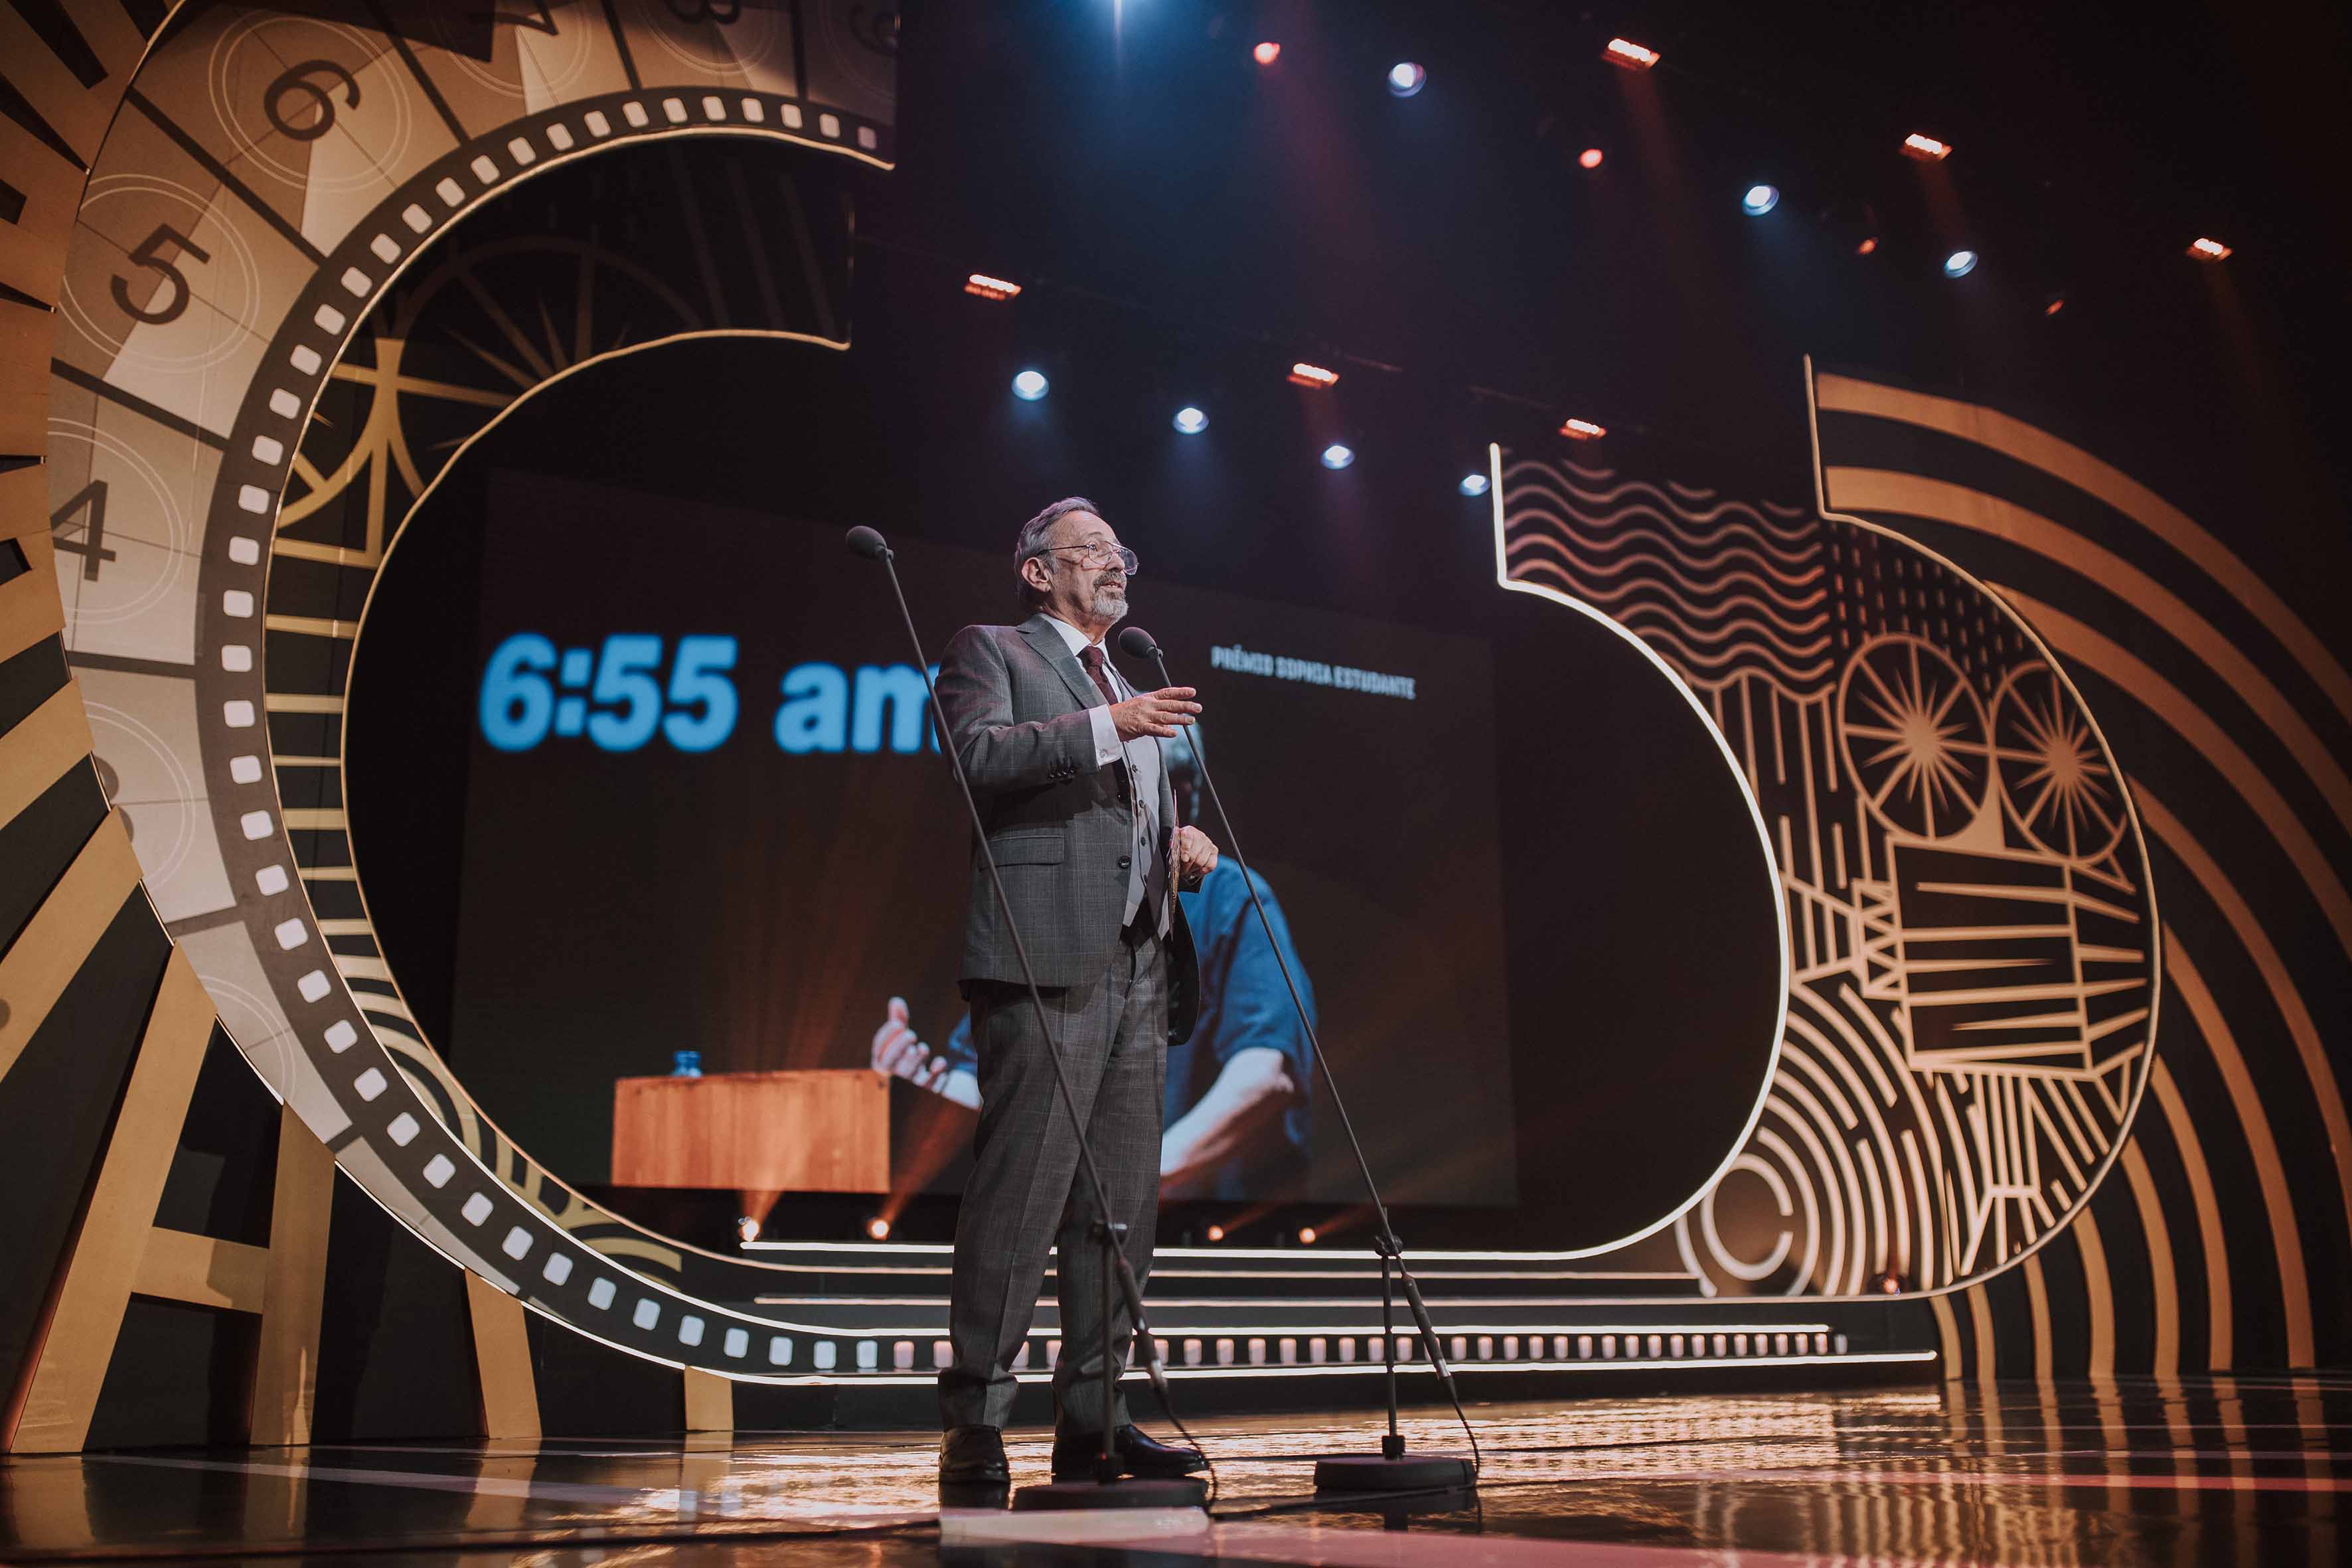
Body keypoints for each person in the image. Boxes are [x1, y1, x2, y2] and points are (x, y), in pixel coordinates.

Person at [929, 497, 1218, 1490]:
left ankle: (1095, 1423)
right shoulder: (995, 651)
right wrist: (1109, 723)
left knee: (1116, 1210)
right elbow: (976, 756)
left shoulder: (1127, 679)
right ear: (1037, 571)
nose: (1112, 564)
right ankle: (975, 1424)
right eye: (1089, 550)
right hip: (1042, 955)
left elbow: (1122, 824)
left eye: (1118, 551)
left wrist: (1180, 844)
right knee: (1021, 1196)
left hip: (1140, 962)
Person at [875, 722, 1316, 1200]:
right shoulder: (1051, 904)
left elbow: (1266, 1073)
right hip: (1063, 1208)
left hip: (1197, 1221)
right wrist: (916, 1098)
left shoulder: (1229, 896)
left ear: (1181, 796)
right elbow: (980, 1077)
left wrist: (1137, 1183)